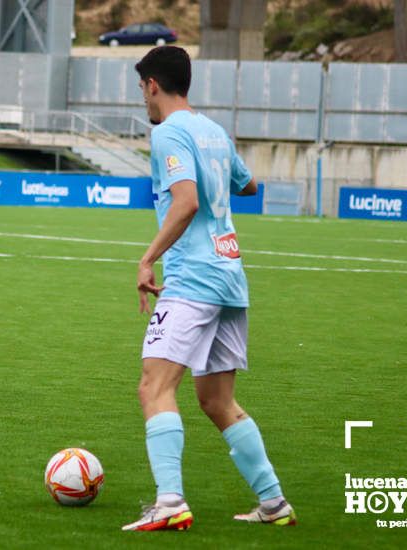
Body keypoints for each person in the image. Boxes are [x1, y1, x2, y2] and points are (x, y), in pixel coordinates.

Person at [121, 46, 296, 531]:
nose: (143, 99)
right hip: (229, 277)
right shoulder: (213, 131)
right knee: (217, 401)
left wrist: (147, 258)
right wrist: (219, 172)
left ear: (153, 84)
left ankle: (170, 500)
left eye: (142, 89)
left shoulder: (169, 133)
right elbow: (249, 185)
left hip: (193, 278)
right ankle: (274, 502)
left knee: (154, 387)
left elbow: (186, 203)